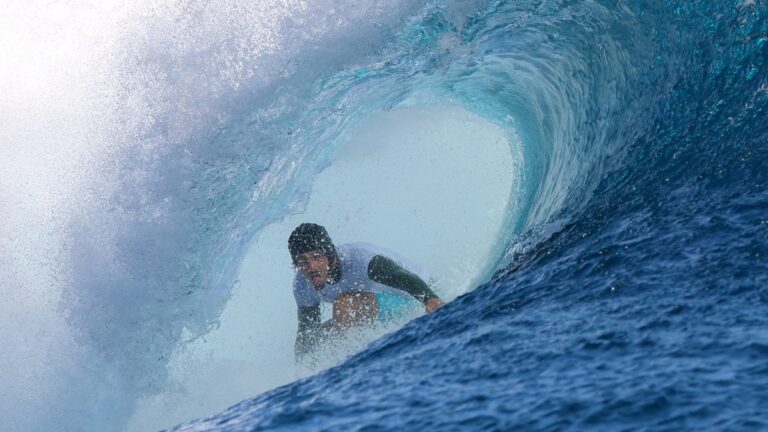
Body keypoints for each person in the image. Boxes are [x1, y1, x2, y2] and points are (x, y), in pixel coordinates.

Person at [288, 223, 444, 360]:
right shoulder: (302, 285)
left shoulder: (361, 260)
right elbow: (307, 334)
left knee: (345, 305)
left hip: (415, 298)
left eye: (316, 257)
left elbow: (403, 277)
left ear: (329, 255)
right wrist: (301, 371)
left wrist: (431, 299)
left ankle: (355, 363)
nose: (311, 267)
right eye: (302, 261)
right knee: (321, 336)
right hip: (380, 309)